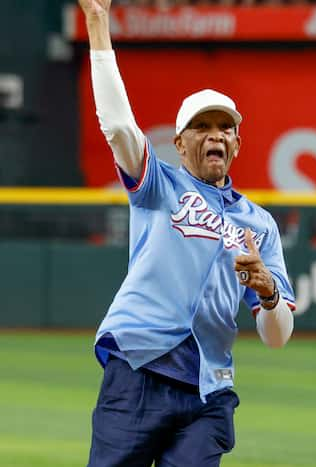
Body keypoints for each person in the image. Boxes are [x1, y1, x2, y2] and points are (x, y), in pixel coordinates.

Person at [78, 1, 297, 465]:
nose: (214, 134)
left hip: (208, 393)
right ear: (179, 143)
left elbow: (277, 336)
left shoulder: (259, 224)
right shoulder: (158, 185)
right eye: (201, 127)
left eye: (225, 127)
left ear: (237, 143)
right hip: (138, 372)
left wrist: (269, 292)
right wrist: (98, 23)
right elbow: (118, 126)